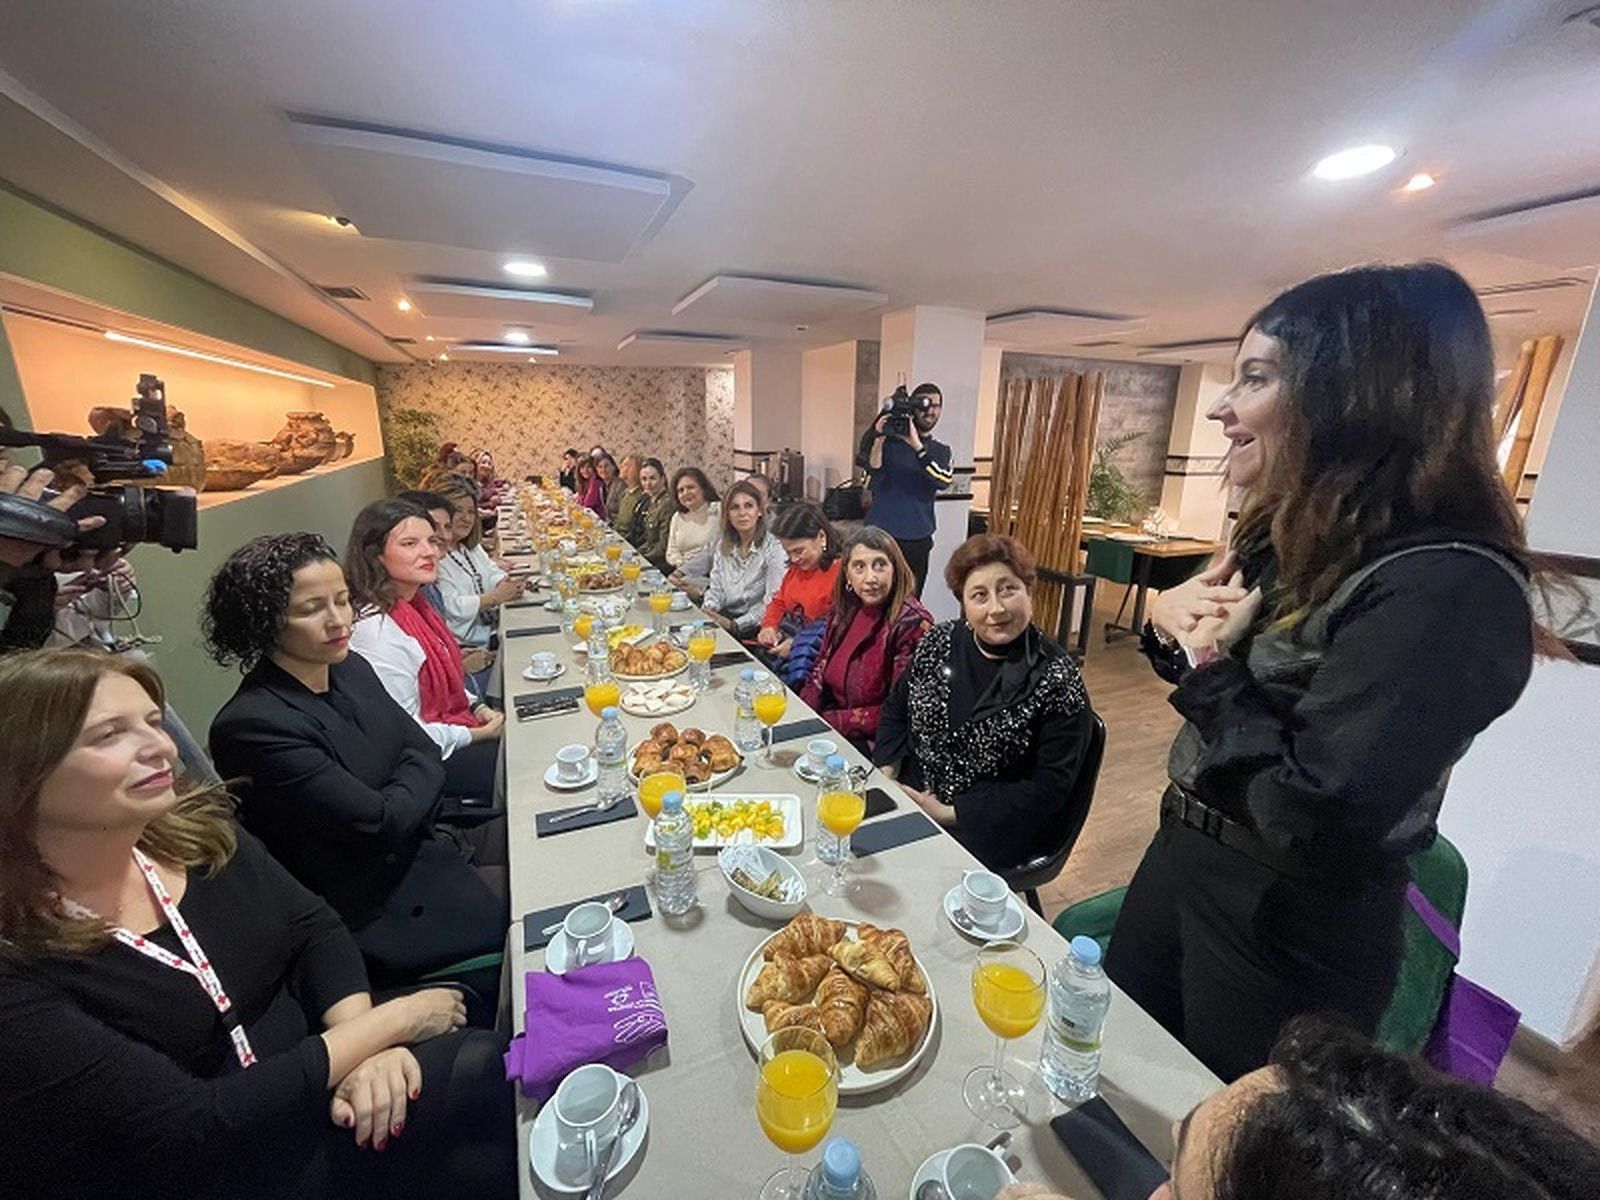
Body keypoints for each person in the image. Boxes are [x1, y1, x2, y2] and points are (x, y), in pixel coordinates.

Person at [1107, 263, 1539, 1084]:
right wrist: (1177, 631)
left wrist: (1216, 664)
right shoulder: (1303, 536)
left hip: (1285, 921)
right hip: (1189, 855)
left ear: (1354, 397)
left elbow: (1316, 811)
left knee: (1225, 1143)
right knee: (1121, 1082)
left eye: (1256, 378)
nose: (1220, 407)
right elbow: (1230, 691)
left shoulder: (1448, 587)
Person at [0, 648, 516, 1200]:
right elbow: (192, 1124)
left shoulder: (198, 836)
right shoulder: (17, 963)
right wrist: (390, 1026)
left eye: (153, 721)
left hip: (320, 1086)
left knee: (493, 1078)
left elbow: (313, 928)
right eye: (109, 735)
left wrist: (362, 1049)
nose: (161, 747)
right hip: (221, 1167)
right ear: (21, 770)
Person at [205, 535, 507, 984]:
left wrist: (403, 787)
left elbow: (421, 750)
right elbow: (379, 823)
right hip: (381, 912)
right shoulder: (253, 725)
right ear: (264, 622)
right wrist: (409, 783)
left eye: (343, 601)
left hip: (429, 848)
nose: (338, 621)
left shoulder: (349, 668)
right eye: (311, 609)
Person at [876, 533, 1093, 871]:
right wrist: (887, 774)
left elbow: (1049, 788)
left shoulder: (1056, 677)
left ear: (1028, 591)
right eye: (980, 595)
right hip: (913, 796)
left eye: (1008, 589)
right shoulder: (939, 641)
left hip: (987, 828)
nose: (996, 608)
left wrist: (951, 812)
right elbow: (896, 707)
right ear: (963, 603)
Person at [344, 499, 504, 804]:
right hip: (421, 764)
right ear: (375, 555)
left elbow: (447, 677)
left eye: (431, 541)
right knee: (524, 762)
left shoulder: (416, 605)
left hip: (450, 729)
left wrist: (477, 708)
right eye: (409, 543)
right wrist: (477, 735)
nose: (430, 551)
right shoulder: (377, 630)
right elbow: (406, 733)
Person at [801, 526, 932, 754]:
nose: (870, 578)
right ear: (848, 575)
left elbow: (904, 710)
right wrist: (803, 717)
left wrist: (831, 722)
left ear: (896, 569)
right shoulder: (843, 610)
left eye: (880, 565)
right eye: (859, 567)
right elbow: (818, 673)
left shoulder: (912, 623)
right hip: (832, 731)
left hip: (879, 746)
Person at [855, 381, 954, 596]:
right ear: (913, 410)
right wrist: (879, 437)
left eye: (937, 406)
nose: (931, 411)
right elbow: (871, 474)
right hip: (879, 535)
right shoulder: (887, 445)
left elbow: (943, 480)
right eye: (925, 405)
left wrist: (917, 446)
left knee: (910, 600)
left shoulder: (939, 451)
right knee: (874, 596)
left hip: (916, 538)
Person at [430, 477, 525, 651]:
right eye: (459, 511)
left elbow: (490, 570)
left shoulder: (468, 548)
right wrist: (494, 597)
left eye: (471, 512)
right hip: (471, 644)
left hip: (491, 628)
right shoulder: (435, 558)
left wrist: (503, 582)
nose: (467, 518)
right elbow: (451, 607)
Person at [756, 501, 842, 664]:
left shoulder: (841, 574)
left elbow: (838, 629)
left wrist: (798, 644)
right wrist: (769, 627)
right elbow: (779, 602)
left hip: (817, 659)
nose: (794, 559)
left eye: (799, 551)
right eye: (789, 553)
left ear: (821, 537)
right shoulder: (796, 569)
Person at [702, 479, 787, 638]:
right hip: (724, 619)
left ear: (759, 511)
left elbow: (772, 603)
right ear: (727, 514)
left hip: (756, 630)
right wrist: (709, 609)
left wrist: (734, 625)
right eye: (735, 508)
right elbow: (716, 588)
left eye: (749, 506)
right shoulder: (723, 545)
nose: (742, 513)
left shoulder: (774, 549)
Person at [665, 466, 723, 570]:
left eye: (690, 487)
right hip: (683, 571)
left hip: (711, 572)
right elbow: (671, 551)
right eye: (681, 490)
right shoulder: (678, 517)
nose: (685, 493)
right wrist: (681, 563)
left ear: (703, 488)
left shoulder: (718, 510)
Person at [632, 456, 677, 568]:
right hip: (650, 555)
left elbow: (663, 547)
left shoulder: (667, 504)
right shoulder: (652, 500)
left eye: (652, 478)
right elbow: (649, 541)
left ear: (663, 479)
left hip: (661, 563)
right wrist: (634, 553)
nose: (648, 484)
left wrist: (641, 558)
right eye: (644, 479)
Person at [611, 453, 647, 536]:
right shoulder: (625, 493)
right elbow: (619, 521)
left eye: (626, 465)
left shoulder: (641, 497)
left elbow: (633, 529)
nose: (621, 467)